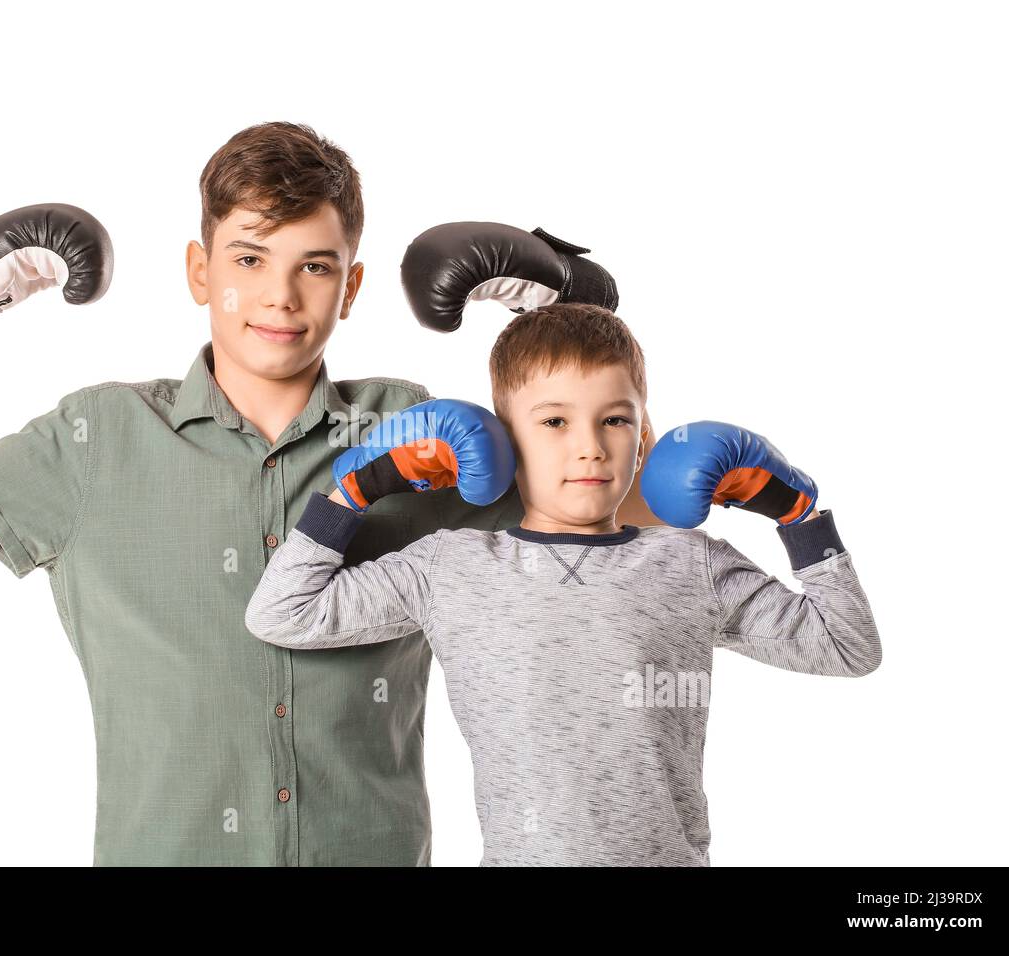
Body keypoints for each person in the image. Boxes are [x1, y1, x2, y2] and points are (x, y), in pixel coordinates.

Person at [0, 122, 658, 865]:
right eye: (250, 258)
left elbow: (632, 524)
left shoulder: (414, 430)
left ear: (352, 286)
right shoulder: (98, 439)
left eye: (316, 266)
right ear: (201, 271)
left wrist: (584, 321)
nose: (281, 296)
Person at [245, 302, 882, 866]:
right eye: (554, 423)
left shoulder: (692, 564)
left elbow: (849, 649)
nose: (590, 449)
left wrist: (799, 517)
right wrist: (355, 489)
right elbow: (282, 613)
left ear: (642, 439)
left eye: (615, 420)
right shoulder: (453, 567)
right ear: (502, 440)